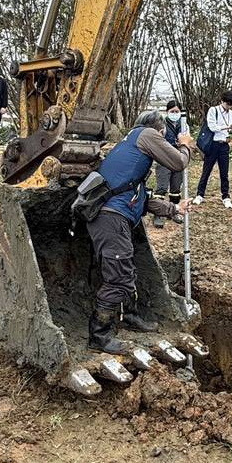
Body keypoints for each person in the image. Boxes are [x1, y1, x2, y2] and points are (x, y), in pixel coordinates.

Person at [87, 110, 196, 354]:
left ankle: (131, 316)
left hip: (116, 215)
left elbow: (142, 201)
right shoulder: (146, 134)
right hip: (110, 217)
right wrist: (185, 146)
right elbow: (178, 162)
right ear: (160, 131)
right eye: (163, 137)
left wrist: (174, 208)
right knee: (118, 276)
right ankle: (99, 335)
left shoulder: (134, 159)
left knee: (126, 268)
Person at [194, 90, 232, 208]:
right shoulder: (214, 110)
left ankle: (225, 196)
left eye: (231, 104)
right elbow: (212, 127)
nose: (228, 106)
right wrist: (227, 127)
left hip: (224, 145)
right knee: (206, 170)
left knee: (224, 173)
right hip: (213, 144)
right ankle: (200, 194)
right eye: (227, 104)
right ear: (222, 101)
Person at [151, 100, 189, 229]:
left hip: (178, 158)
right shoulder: (162, 125)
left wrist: (184, 144)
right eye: (172, 111)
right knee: (161, 187)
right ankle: (158, 214)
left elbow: (187, 140)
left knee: (176, 188)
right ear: (167, 112)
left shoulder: (184, 125)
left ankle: (175, 211)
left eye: (177, 111)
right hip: (164, 158)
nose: (174, 114)